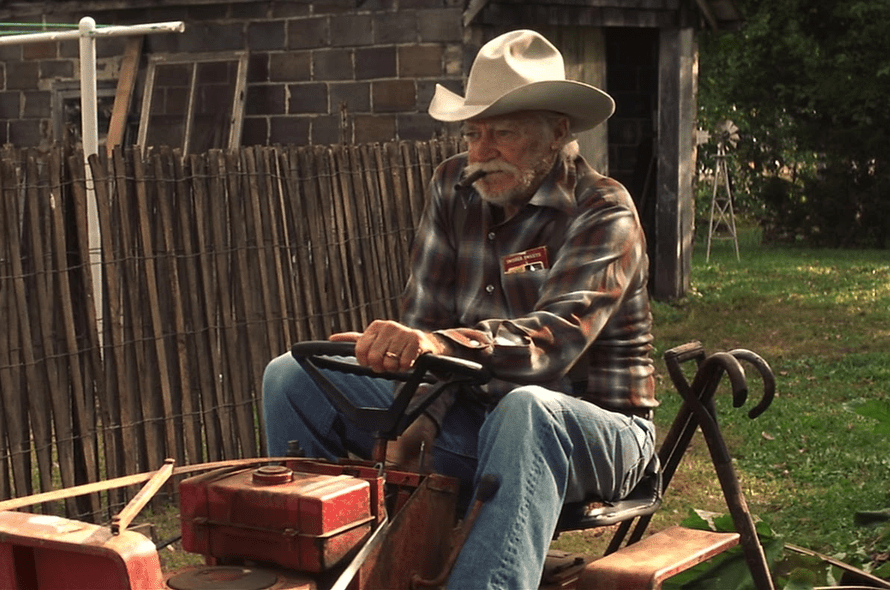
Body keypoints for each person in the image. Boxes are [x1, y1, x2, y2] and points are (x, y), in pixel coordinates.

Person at [262, 29, 657, 589]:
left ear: (557, 132)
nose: (479, 152)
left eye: (504, 133)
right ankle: (325, 568)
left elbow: (553, 342)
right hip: (474, 419)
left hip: (599, 433)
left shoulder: (604, 209)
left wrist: (434, 346)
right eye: (473, 133)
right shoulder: (454, 185)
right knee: (292, 376)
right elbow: (425, 318)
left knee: (527, 409)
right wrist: (416, 413)